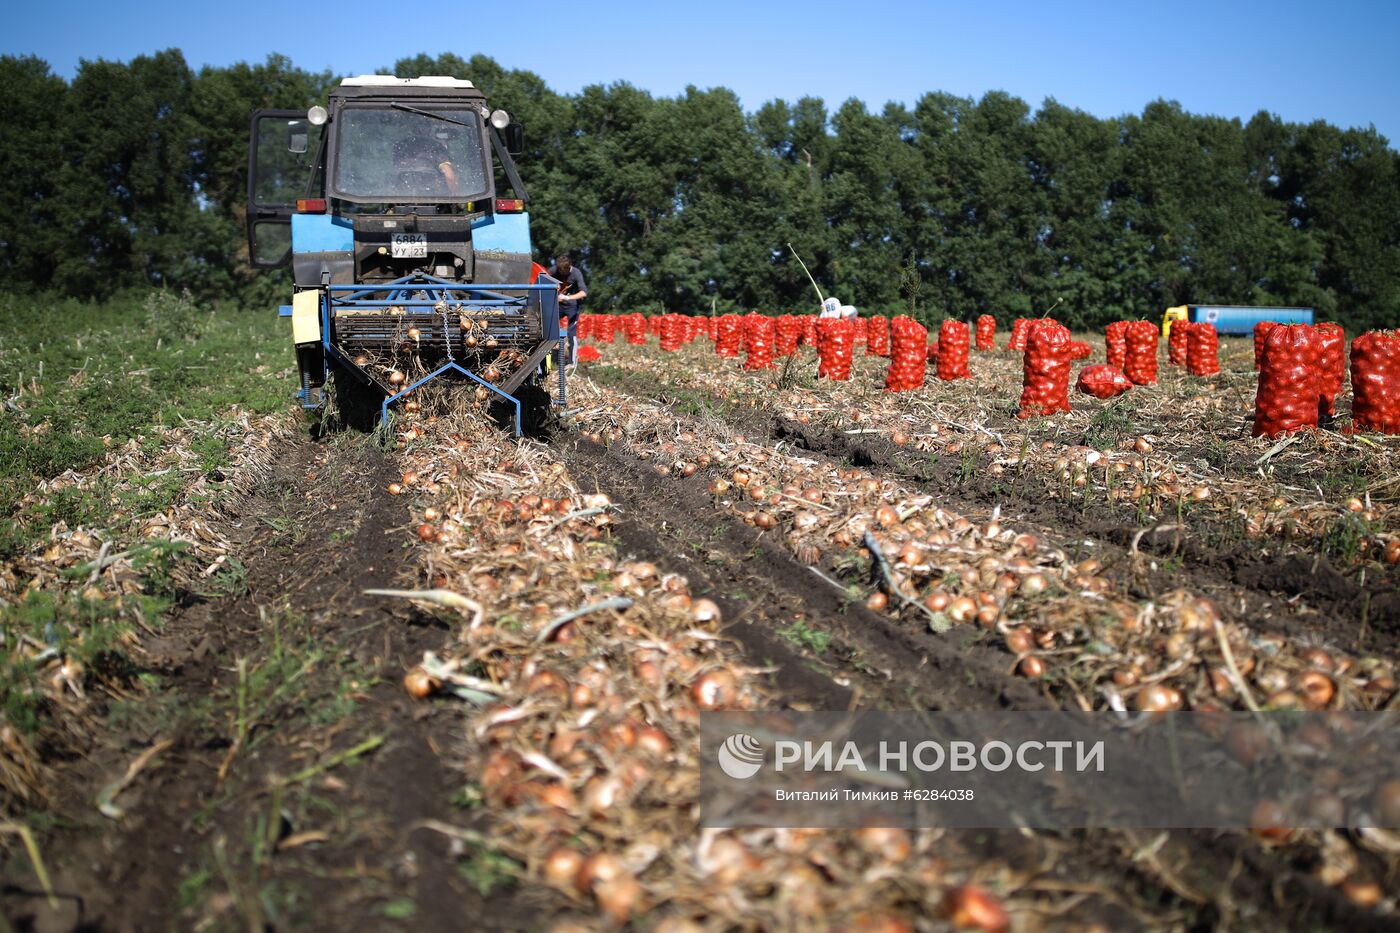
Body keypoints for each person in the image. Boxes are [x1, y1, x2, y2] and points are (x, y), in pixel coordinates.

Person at [548, 253, 588, 364]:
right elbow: (543, 284)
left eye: (563, 271)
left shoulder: (576, 273)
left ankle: (572, 362)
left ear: (568, 268)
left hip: (572, 306)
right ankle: (553, 360)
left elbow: (583, 292)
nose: (561, 273)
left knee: (571, 334)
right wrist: (554, 295)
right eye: (559, 271)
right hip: (557, 305)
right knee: (551, 331)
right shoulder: (552, 271)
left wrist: (567, 297)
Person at [392, 135, 461, 196]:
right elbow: (449, 175)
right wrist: (457, 196)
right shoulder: (436, 148)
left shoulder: (401, 146)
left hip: (401, 198)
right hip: (433, 198)